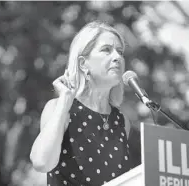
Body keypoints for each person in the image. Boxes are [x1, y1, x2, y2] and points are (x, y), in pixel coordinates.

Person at [30, 21, 133, 186]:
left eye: (120, 52)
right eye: (106, 50)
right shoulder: (58, 108)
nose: (117, 57)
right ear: (83, 64)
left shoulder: (122, 122)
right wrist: (64, 102)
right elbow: (41, 162)